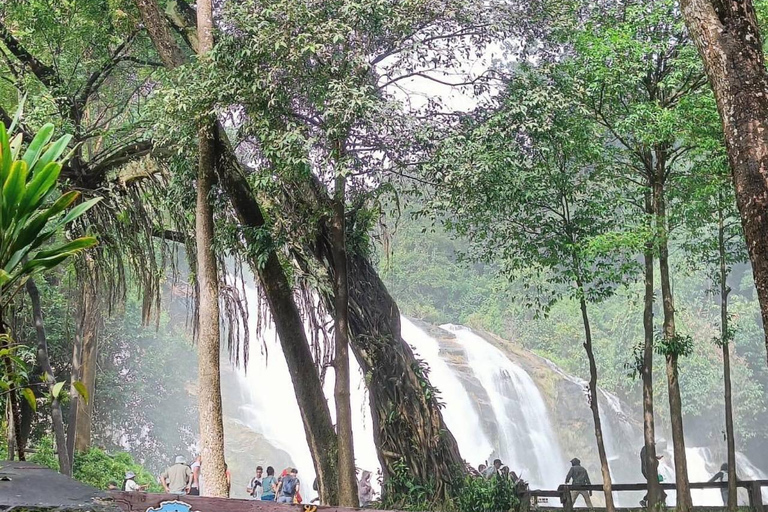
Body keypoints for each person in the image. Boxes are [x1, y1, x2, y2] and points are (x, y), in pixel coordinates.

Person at [640, 442, 668, 507]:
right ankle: (646, 500)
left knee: (655, 486)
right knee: (655, 486)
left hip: (648, 472)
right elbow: (647, 460)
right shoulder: (646, 450)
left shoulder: (645, 450)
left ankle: (647, 500)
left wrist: (656, 458)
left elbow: (649, 457)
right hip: (648, 472)